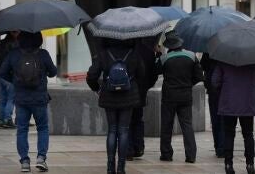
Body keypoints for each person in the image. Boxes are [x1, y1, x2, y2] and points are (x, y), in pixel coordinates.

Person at [0, 32, 57, 172]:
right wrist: (45, 73)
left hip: (21, 99)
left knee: (22, 130)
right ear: (39, 39)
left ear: (20, 39)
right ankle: (41, 158)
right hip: (39, 98)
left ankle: (24, 161)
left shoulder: (14, 54)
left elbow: (2, 72)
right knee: (42, 128)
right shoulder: (43, 53)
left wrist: (15, 80)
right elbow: (53, 72)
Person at [87, 38, 145, 174]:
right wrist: (135, 87)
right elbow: (142, 75)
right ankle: (121, 167)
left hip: (109, 95)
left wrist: (97, 88)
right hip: (128, 95)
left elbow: (92, 75)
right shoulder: (134, 53)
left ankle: (110, 166)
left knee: (112, 130)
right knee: (124, 130)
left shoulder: (104, 53)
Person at [159, 31, 204, 163]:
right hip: (185, 96)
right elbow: (199, 76)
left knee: (166, 125)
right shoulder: (191, 56)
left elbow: (154, 71)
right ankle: (191, 155)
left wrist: (157, 54)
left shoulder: (165, 59)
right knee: (187, 126)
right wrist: (188, 84)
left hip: (169, 97)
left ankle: (166, 154)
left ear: (169, 45)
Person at [212, 61, 255, 174]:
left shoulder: (223, 61)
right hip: (247, 103)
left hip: (228, 103)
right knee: (248, 134)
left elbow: (215, 82)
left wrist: (224, 92)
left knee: (229, 134)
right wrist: (253, 89)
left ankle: (228, 164)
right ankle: (250, 164)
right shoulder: (254, 62)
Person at [127, 36, 161, 160]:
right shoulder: (148, 51)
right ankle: (139, 147)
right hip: (141, 91)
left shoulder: (126, 51)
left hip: (126, 91)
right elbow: (154, 74)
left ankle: (128, 150)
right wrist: (146, 86)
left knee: (127, 121)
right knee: (138, 119)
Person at [0, 31, 19, 129]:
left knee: (3, 99)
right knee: (11, 98)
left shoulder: (1, 43)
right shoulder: (15, 45)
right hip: (9, 75)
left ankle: (1, 120)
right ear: (14, 33)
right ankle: (7, 119)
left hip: (0, 74)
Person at [201, 52, 224, 158]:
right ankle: (223, 147)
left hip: (213, 89)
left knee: (215, 119)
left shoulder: (209, 48)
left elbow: (202, 65)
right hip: (225, 88)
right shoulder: (229, 48)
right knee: (225, 119)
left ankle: (218, 147)